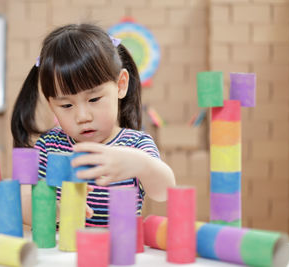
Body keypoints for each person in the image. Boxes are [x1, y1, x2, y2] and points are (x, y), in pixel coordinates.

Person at [11, 23, 175, 228]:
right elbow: (24, 203)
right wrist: (55, 210)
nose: (82, 116)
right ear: (51, 103)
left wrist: (142, 164)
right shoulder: (49, 147)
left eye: (94, 99)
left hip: (117, 255)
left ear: (120, 85)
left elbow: (164, 192)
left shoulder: (135, 144)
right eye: (66, 105)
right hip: (66, 255)